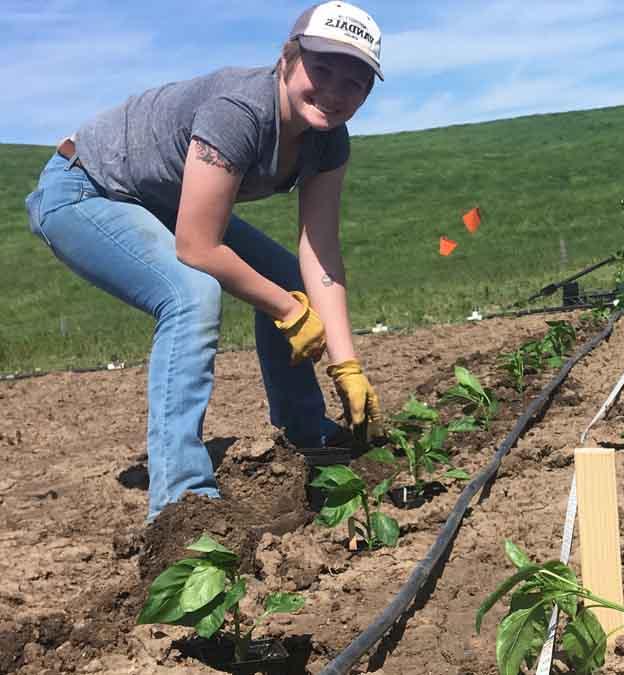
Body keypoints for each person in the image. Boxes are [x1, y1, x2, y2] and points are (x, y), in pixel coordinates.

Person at [23, 1, 386, 521]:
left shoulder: (329, 142)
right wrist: (288, 309)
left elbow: (320, 251)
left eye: (354, 82)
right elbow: (196, 245)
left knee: (283, 275)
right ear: (287, 59)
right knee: (190, 293)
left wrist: (347, 363)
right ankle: (181, 501)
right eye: (321, 69)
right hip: (85, 189)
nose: (333, 90)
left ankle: (308, 433)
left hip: (161, 201)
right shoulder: (240, 111)